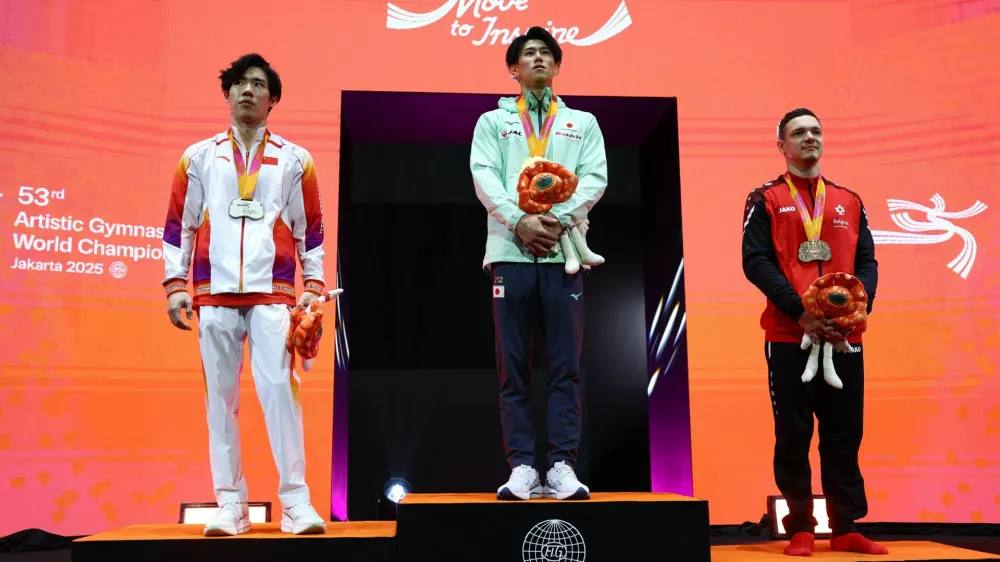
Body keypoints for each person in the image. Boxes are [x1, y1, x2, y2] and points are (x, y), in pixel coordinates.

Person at [161, 53, 329, 536]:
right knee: (220, 401)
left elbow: (310, 230)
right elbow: (179, 226)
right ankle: (230, 504)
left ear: (273, 98)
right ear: (228, 94)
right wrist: (176, 286)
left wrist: (313, 286)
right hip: (212, 293)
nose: (247, 91)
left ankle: (297, 503)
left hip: (274, 293)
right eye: (239, 84)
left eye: (258, 84)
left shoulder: (297, 159)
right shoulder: (198, 156)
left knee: (280, 393)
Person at [741, 108, 887, 556]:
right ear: (781, 145)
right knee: (793, 432)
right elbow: (756, 260)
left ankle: (845, 527)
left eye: (816, 131)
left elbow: (868, 263)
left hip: (845, 338)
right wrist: (798, 310)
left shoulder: (849, 200)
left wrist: (856, 314)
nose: (810, 138)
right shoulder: (764, 198)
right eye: (798, 133)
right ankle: (801, 526)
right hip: (790, 335)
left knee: (845, 432)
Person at [470, 27, 607, 501]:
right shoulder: (492, 122)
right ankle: (524, 467)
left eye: (546, 54)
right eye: (528, 54)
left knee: (566, 365)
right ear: (514, 68)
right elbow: (483, 175)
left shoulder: (582, 122)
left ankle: (563, 465)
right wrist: (520, 220)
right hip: (510, 251)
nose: (538, 60)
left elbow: (595, 177)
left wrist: (555, 218)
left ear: (557, 65)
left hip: (564, 252)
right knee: (513, 366)